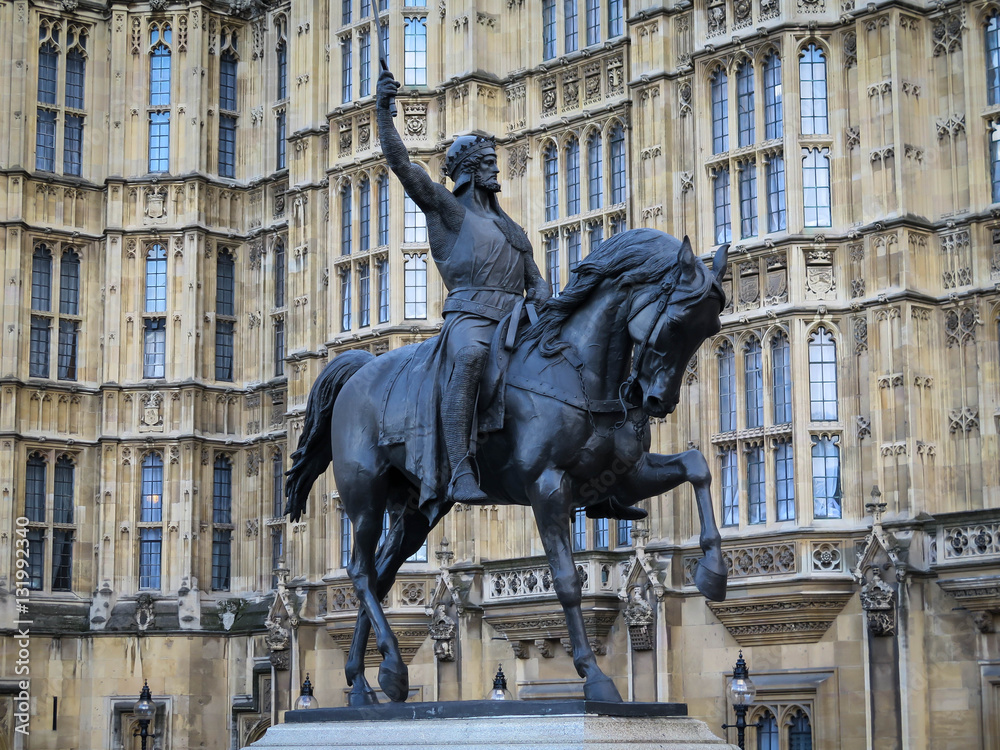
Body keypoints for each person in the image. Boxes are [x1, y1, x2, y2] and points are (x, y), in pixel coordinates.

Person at [376, 69, 550, 503]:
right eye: (489, 163)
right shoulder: (450, 213)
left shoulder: (510, 227)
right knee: (471, 359)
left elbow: (537, 284)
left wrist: (548, 305)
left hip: (516, 323)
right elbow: (403, 166)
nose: (496, 170)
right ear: (471, 170)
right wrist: (382, 113)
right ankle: (459, 469)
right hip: (470, 320)